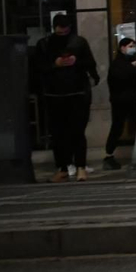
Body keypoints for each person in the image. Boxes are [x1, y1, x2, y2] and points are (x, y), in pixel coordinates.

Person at [34, 14, 99, 182]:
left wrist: (76, 62)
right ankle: (64, 167)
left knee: (76, 132)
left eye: (65, 30)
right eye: (60, 31)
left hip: (75, 93)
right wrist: (55, 64)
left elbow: (90, 64)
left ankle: (79, 167)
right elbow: (37, 67)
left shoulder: (77, 43)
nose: (62, 33)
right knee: (59, 134)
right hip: (56, 94)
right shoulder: (45, 44)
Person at [101, 38, 136, 170]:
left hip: (131, 99)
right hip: (121, 101)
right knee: (117, 127)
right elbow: (120, 77)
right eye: (130, 46)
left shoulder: (130, 61)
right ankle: (109, 155)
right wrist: (132, 67)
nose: (132, 49)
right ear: (122, 47)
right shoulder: (118, 63)